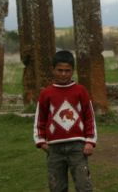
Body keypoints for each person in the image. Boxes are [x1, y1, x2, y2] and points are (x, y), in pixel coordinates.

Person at [33, 50, 97, 192]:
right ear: (53, 69)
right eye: (59, 70)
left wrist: (90, 141)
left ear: (72, 71)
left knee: (83, 185)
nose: (63, 74)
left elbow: (89, 117)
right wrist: (41, 141)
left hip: (78, 147)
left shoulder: (80, 91)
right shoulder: (46, 93)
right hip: (54, 148)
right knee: (57, 187)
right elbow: (40, 118)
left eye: (67, 71)